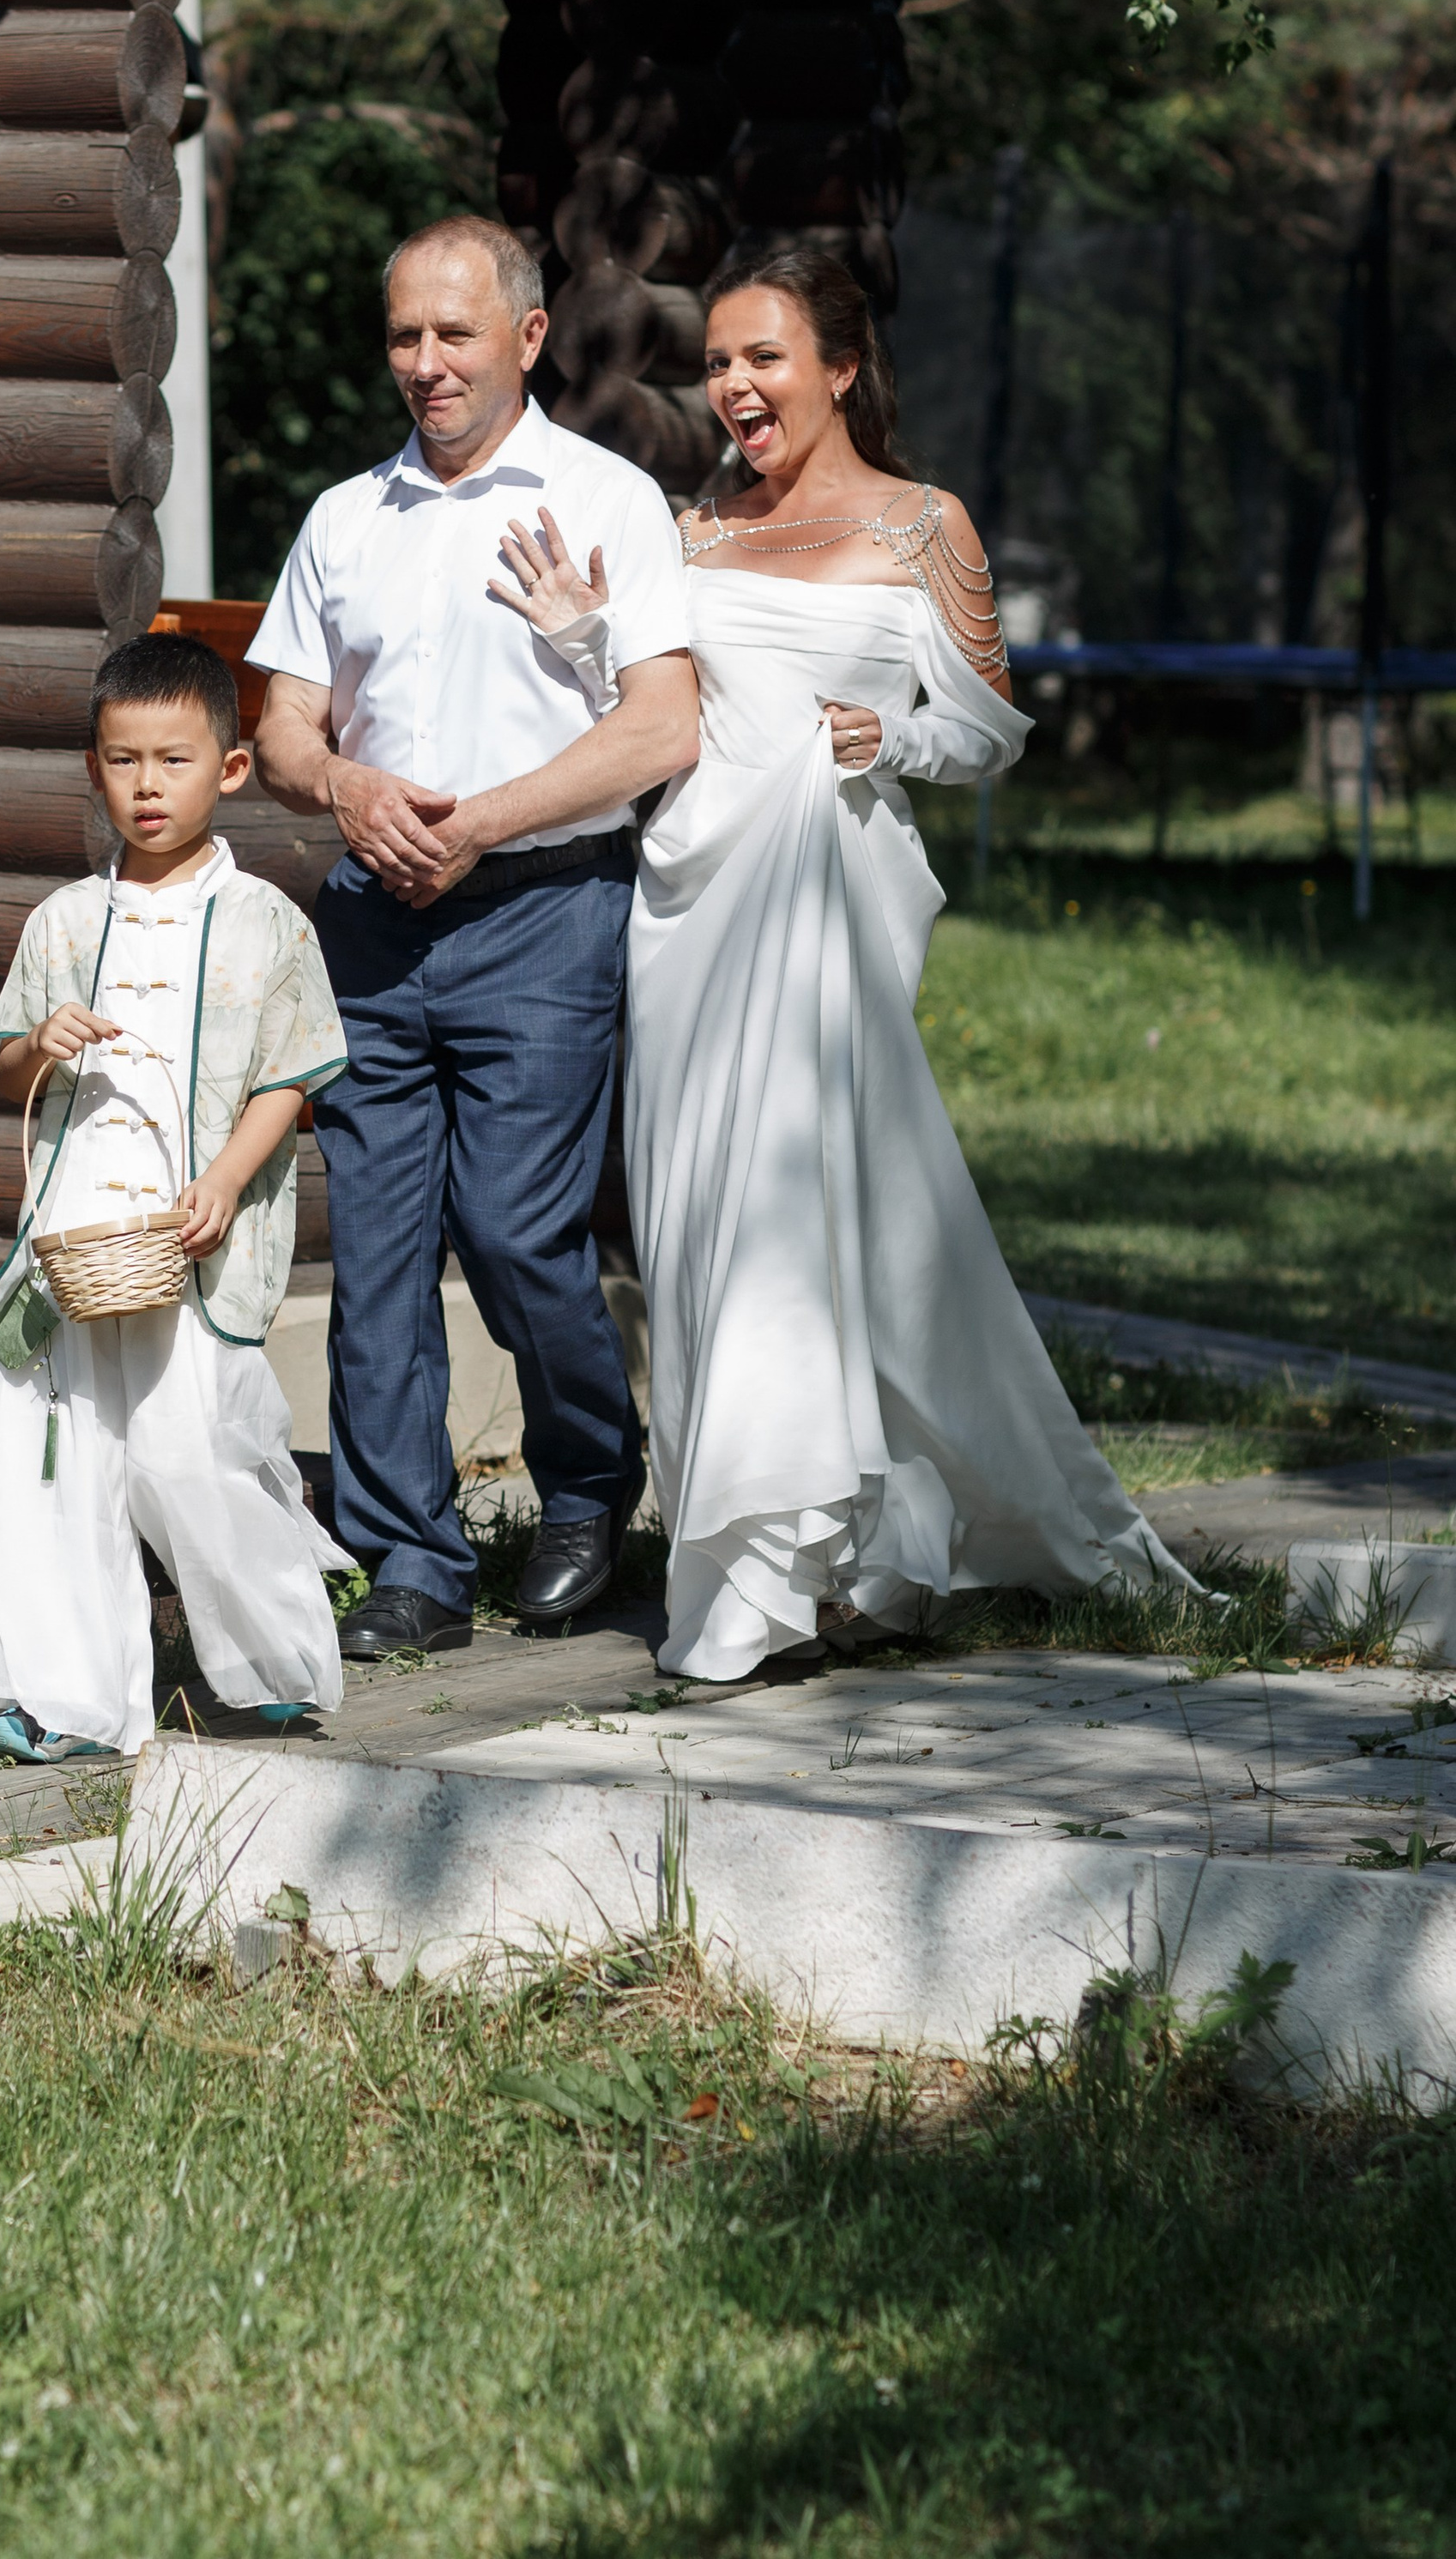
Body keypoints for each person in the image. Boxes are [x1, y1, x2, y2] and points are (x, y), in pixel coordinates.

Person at [498, 239, 1189, 1679]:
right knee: (702, 1230)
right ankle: (884, 1540)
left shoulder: (927, 527)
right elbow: (660, 724)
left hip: (834, 903)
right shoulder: (694, 535)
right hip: (689, 916)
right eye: (723, 362)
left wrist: (894, 740)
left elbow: (989, 731)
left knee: (809, 1217)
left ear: (841, 368)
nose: (738, 387)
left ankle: (771, 1584)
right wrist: (580, 641)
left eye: (765, 358)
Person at [249, 215, 699, 1658]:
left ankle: (585, 1483)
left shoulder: (611, 498)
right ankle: (412, 1565)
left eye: (454, 333)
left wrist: (484, 820)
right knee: (374, 1263)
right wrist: (346, 785)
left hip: (547, 916)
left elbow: (662, 723)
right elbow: (281, 723)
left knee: (515, 1231)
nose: (425, 364)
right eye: (403, 336)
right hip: (373, 927)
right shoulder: (344, 518)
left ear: (526, 337)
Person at [0, 632, 352, 1759]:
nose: (147, 786)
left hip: (192, 1226)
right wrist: (42, 1039)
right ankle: (51, 1693)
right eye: (123, 761)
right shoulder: (65, 920)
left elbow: (288, 1073)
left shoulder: (270, 922)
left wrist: (227, 1182)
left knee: (193, 1443)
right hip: (80, 1230)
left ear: (228, 768)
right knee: (51, 1440)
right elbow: (10, 1066)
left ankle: (270, 1663)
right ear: (94, 768)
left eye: (173, 761)